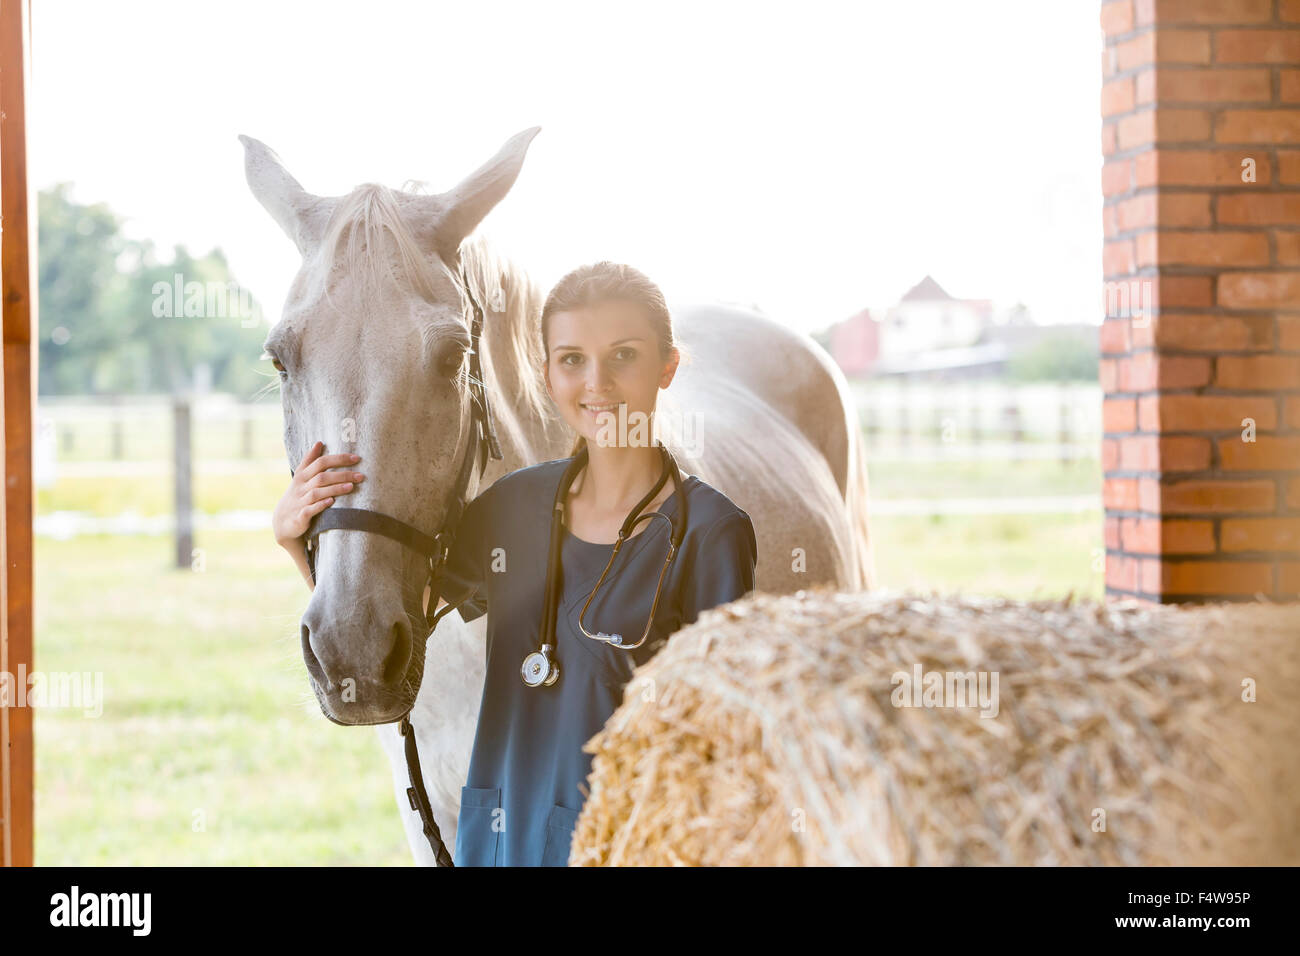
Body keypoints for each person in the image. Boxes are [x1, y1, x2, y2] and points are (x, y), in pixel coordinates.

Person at [275, 261, 758, 867]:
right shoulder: (512, 506)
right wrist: (295, 539)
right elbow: (402, 626)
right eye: (572, 359)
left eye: (624, 356)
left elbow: (727, 732)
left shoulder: (712, 532)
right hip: (501, 842)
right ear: (548, 373)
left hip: (628, 845)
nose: (597, 384)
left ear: (668, 367)